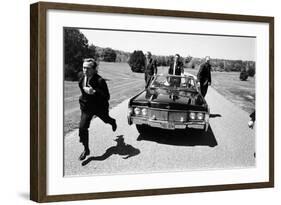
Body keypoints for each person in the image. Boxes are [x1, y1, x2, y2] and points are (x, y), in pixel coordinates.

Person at [78, 58, 117, 161]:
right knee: (82, 127)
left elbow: (107, 96)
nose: (85, 70)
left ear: (94, 69)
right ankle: (86, 150)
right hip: (86, 107)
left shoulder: (100, 80)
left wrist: (94, 92)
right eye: (83, 67)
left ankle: (112, 122)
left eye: (88, 68)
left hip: (99, 107)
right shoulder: (81, 76)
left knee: (106, 120)